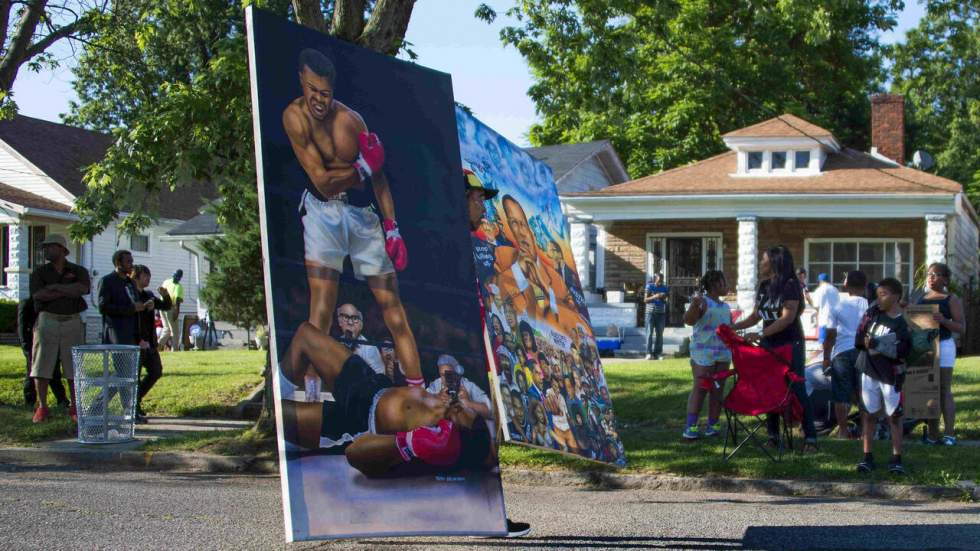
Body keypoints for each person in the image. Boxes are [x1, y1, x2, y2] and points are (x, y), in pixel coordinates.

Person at [283, 47, 420, 389]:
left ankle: (419, 391)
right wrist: (361, 166)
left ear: (334, 90)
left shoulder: (351, 121)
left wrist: (392, 227)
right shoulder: (294, 118)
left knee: (393, 309)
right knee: (322, 309)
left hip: (362, 214)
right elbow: (322, 182)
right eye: (312, 90)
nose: (318, 99)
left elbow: (379, 178)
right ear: (302, 80)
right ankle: (312, 394)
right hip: (320, 211)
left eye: (325, 93)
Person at [278, 323, 493, 478]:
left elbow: (354, 454)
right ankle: (276, 389)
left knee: (278, 417)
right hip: (371, 385)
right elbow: (490, 455)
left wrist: (411, 444)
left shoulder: (430, 442)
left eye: (461, 415)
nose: (459, 407)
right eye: (464, 409)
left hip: (356, 422)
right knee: (305, 334)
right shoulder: (449, 404)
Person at [465, 172, 532, 538]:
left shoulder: (480, 244)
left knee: (482, 436)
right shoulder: (446, 243)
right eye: (476, 198)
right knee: (475, 434)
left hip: (483, 353)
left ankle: (487, 515)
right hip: (460, 354)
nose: (483, 205)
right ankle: (483, 516)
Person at [732, 245, 818, 452]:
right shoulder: (764, 286)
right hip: (768, 344)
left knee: (796, 388)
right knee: (771, 388)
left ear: (775, 262)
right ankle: (773, 437)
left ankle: (811, 439)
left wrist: (760, 334)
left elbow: (787, 318)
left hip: (789, 343)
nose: (760, 263)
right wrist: (733, 327)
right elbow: (756, 316)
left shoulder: (790, 285)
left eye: (763, 259)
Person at [28, 234, 89, 423]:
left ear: (62, 249)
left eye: (49, 247)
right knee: (42, 363)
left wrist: (54, 287)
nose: (45, 250)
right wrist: (66, 289)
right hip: (48, 318)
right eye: (44, 248)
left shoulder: (78, 270)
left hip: (72, 319)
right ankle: (42, 406)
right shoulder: (40, 272)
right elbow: (39, 295)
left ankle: (75, 406)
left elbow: (83, 289)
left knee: (73, 364)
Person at [855, 278, 911, 475]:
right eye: (878, 295)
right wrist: (866, 341)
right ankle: (867, 456)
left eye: (884, 294)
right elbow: (859, 338)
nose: (879, 299)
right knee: (868, 414)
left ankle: (896, 458)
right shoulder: (872, 314)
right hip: (869, 370)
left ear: (896, 296)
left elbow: (904, 350)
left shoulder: (900, 323)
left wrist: (879, 345)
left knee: (894, 416)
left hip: (890, 375)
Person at [493, 195, 575, 329]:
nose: (520, 232)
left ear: (532, 231)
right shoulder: (501, 256)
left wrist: (548, 292)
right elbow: (493, 295)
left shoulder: (556, 280)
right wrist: (518, 271)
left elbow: (572, 321)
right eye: (513, 223)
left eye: (523, 224)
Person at [917, 262, 964, 446]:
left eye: (935, 275)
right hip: (924, 347)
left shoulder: (951, 299)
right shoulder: (921, 298)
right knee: (929, 390)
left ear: (945, 279)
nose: (930, 277)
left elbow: (961, 327)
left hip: (943, 345)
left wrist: (943, 320)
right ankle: (932, 434)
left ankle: (950, 434)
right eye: (929, 274)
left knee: (944, 389)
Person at [681, 270, 731, 440]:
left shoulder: (726, 306)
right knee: (701, 388)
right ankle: (691, 426)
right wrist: (694, 305)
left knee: (717, 390)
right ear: (715, 285)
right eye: (724, 283)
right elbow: (688, 320)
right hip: (703, 353)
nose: (727, 286)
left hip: (723, 354)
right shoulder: (702, 303)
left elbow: (728, 329)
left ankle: (713, 424)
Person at [821, 271, 869, 439]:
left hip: (841, 352)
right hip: (864, 352)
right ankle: (865, 431)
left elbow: (830, 335)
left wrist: (826, 357)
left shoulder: (837, 306)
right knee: (864, 393)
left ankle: (842, 430)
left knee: (840, 394)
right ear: (865, 285)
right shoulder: (869, 306)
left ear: (847, 285)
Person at [131, 265, 173, 423]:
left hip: (150, 342)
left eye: (149, 276)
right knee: (134, 375)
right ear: (136, 277)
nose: (148, 279)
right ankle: (133, 407)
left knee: (156, 371)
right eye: (145, 276)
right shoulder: (131, 295)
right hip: (137, 341)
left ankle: (136, 399)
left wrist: (165, 296)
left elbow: (166, 306)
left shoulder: (148, 295)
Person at [18, 296, 69, 410]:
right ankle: (30, 401)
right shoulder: (27, 304)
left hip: (51, 342)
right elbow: (22, 327)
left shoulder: (51, 305)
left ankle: (62, 399)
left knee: (55, 373)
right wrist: (26, 348)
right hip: (33, 344)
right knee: (32, 373)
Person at [426, 354, 493, 421]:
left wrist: (469, 403)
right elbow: (419, 405)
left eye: (449, 374)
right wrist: (437, 397)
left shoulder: (468, 386)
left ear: (457, 372)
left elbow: (491, 411)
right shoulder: (436, 384)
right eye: (442, 375)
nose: (445, 379)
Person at [335, 303, 385, 375]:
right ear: (340, 322)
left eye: (355, 318)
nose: (350, 322)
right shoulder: (335, 344)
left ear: (361, 325)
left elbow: (380, 378)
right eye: (346, 317)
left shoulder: (370, 348)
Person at [643, 274, 669, 360]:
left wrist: (663, 297)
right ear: (655, 279)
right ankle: (648, 353)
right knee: (649, 333)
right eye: (659, 279)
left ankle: (658, 353)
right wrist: (656, 296)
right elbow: (645, 300)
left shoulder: (665, 287)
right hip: (650, 313)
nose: (660, 281)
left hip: (661, 313)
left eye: (662, 279)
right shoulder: (649, 286)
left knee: (660, 334)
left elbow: (666, 301)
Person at [158, 269, 184, 351]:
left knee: (167, 329)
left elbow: (160, 291)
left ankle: (158, 346)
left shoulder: (166, 282)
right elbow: (177, 301)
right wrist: (177, 312)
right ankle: (175, 349)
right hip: (170, 308)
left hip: (162, 307)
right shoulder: (179, 287)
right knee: (175, 331)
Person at [811, 273, 840, 343]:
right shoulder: (835, 290)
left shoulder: (819, 290)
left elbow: (816, 306)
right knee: (833, 345)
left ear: (820, 281)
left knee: (823, 346)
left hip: (824, 322)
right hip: (835, 323)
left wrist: (809, 299)